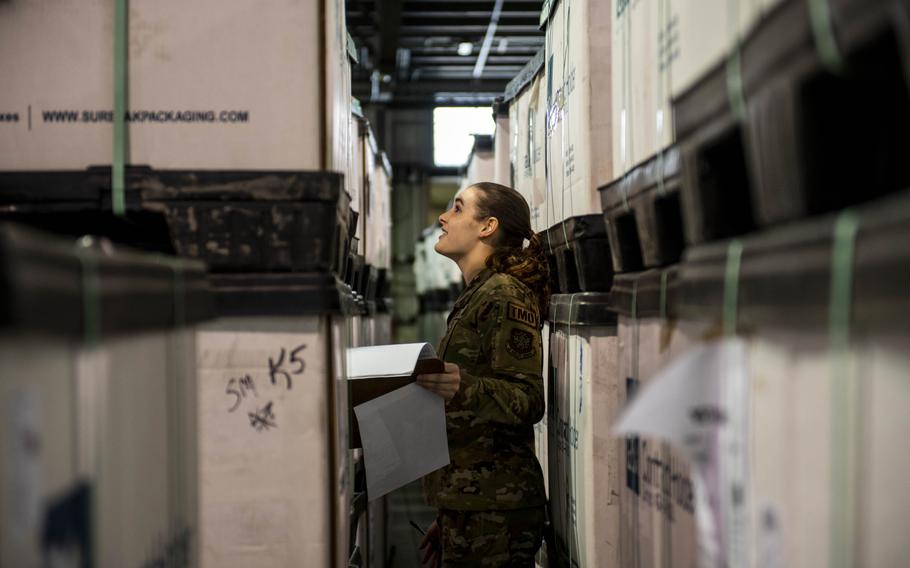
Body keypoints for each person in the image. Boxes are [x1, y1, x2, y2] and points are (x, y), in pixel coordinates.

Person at [415, 182, 550, 567]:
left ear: (487, 227)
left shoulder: (504, 294)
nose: (443, 217)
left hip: (497, 510)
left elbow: (528, 399)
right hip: (473, 506)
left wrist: (462, 385)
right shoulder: (479, 294)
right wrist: (450, 513)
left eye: (457, 209)